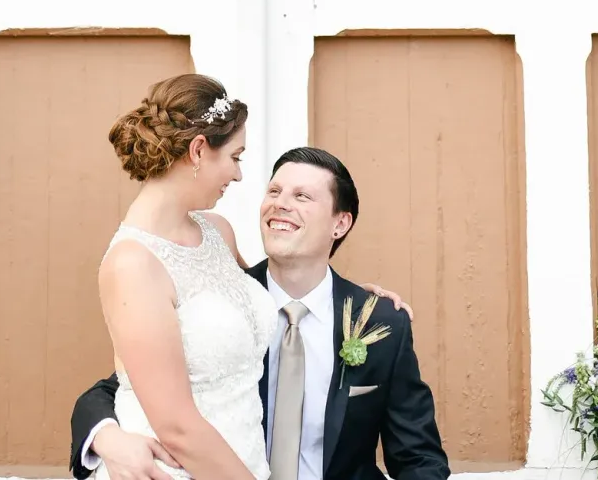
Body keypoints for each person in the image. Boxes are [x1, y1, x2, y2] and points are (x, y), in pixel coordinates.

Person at [76, 141, 450, 480]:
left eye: (302, 196)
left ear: (340, 223)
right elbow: (118, 387)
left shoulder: (382, 323)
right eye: (274, 191)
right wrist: (104, 437)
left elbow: (419, 460)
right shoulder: (226, 304)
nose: (280, 203)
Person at [97, 74, 278, 480]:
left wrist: (347, 293)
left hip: (247, 462)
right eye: (236, 157)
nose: (238, 175)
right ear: (199, 150)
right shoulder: (133, 265)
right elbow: (176, 428)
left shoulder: (218, 232)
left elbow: (267, 298)